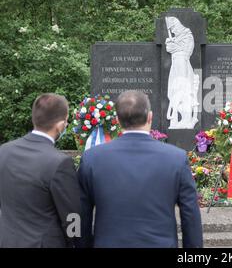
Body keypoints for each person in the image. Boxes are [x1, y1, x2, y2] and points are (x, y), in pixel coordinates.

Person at [77, 90, 203, 248]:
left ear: (117, 119)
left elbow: (80, 215)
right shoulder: (176, 159)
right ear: (150, 117)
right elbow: (190, 216)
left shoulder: (92, 159)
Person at [0, 93, 81, 247]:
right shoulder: (60, 163)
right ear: (60, 125)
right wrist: (75, 241)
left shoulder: (4, 151)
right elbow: (72, 215)